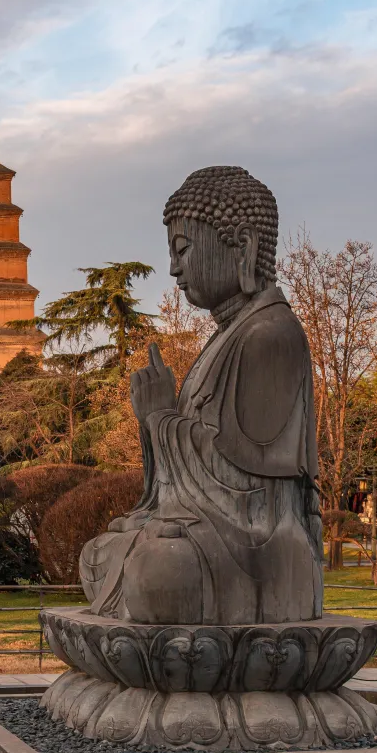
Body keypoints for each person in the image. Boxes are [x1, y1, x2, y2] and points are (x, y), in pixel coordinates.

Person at [80, 166, 322, 625]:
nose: (174, 268)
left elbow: (242, 479)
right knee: (98, 553)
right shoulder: (226, 336)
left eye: (184, 249)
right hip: (210, 534)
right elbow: (193, 478)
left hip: (258, 549)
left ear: (243, 246)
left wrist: (159, 417)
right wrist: (155, 425)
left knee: (157, 573)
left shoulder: (271, 334)